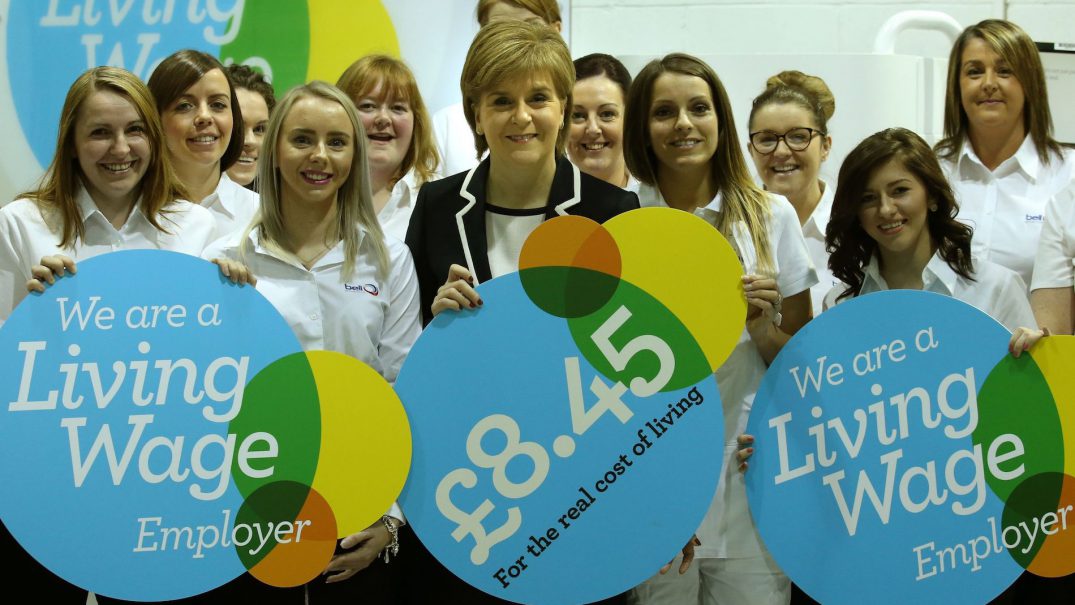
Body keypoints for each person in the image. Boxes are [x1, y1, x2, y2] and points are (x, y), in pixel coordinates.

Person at [403, 20, 638, 604]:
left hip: (581, 475)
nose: (522, 117)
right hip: (469, 486)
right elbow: (404, 348)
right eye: (501, 101)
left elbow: (637, 361)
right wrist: (438, 321)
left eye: (539, 98)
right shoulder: (435, 206)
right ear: (475, 112)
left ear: (563, 106)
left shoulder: (613, 211)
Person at [0, 66, 224, 603]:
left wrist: (235, 292)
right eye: (100, 132)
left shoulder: (196, 228)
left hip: (162, 475)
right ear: (71, 144)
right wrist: (30, 313)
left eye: (135, 130)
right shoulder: (22, 225)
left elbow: (212, 358)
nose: (120, 148)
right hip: (47, 478)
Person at [203, 80, 420, 603]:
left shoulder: (388, 259)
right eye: (302, 139)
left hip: (359, 513)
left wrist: (391, 519)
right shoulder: (223, 260)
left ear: (355, 154)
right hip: (252, 512)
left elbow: (405, 394)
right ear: (274, 150)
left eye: (337, 142)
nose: (320, 156)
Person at [623, 53, 815, 605]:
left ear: (721, 120)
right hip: (652, 479)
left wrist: (762, 328)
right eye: (664, 111)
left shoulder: (770, 215)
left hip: (750, 474)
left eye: (698, 108)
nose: (683, 123)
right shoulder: (623, 222)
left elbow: (802, 362)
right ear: (643, 127)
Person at [824, 127, 1033, 332]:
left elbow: (1036, 367)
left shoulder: (996, 288)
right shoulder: (839, 304)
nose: (885, 209)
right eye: (867, 198)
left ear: (932, 195)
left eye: (899, 191)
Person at [935, 19, 1075, 289]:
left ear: (1029, 82)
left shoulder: (1068, 174)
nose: (989, 83)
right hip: (937, 331)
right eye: (974, 72)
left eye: (1005, 71)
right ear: (957, 86)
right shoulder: (930, 172)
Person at [432, 0, 564, 177]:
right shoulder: (447, 125)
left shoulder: (589, 121)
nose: (516, 42)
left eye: (530, 26)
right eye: (500, 29)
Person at [748, 70, 835, 316]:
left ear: (825, 146)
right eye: (767, 140)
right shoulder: (733, 226)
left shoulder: (857, 226)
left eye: (798, 137)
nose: (782, 151)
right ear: (750, 149)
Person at [149, 49, 259, 239]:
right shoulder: (131, 213)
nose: (205, 117)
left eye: (217, 104)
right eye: (184, 105)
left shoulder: (261, 214)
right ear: (155, 119)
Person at [337, 55, 440, 241]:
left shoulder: (442, 200)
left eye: (397, 108)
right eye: (368, 106)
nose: (383, 118)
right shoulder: (316, 193)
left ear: (416, 122)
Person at [568, 53, 636, 191]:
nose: (593, 129)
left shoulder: (656, 204)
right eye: (578, 115)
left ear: (630, 118)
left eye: (607, 114)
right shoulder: (540, 203)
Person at [224, 64, 275, 190]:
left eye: (260, 129)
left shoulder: (279, 206)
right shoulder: (175, 205)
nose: (250, 141)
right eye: (238, 128)